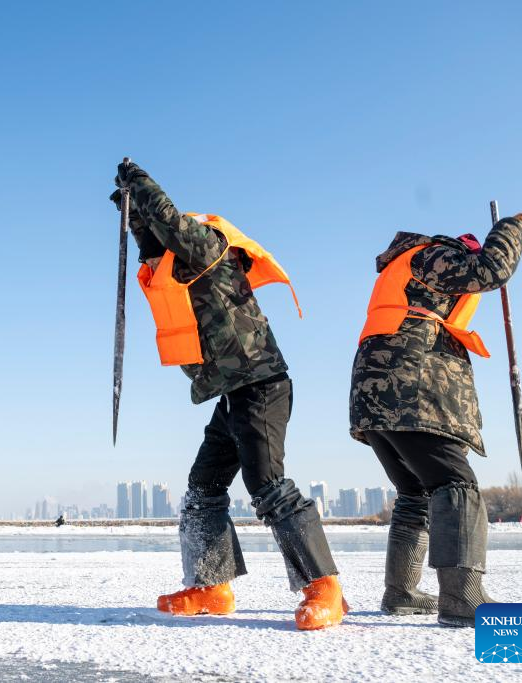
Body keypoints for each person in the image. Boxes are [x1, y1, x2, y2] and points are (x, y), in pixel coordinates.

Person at [112, 161, 345, 630]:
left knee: (266, 483)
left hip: (261, 383)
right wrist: (131, 211)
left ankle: (324, 588)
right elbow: (153, 242)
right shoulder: (176, 266)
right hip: (231, 393)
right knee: (204, 485)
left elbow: (170, 225)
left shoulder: (208, 249)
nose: (156, 263)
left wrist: (139, 183)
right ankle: (211, 586)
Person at [350, 212, 522, 627]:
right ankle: (462, 599)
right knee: (456, 484)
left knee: (415, 493)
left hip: (378, 398)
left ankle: (401, 592)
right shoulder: (431, 255)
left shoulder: (408, 273)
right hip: (409, 392)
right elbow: (492, 269)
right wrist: (513, 228)